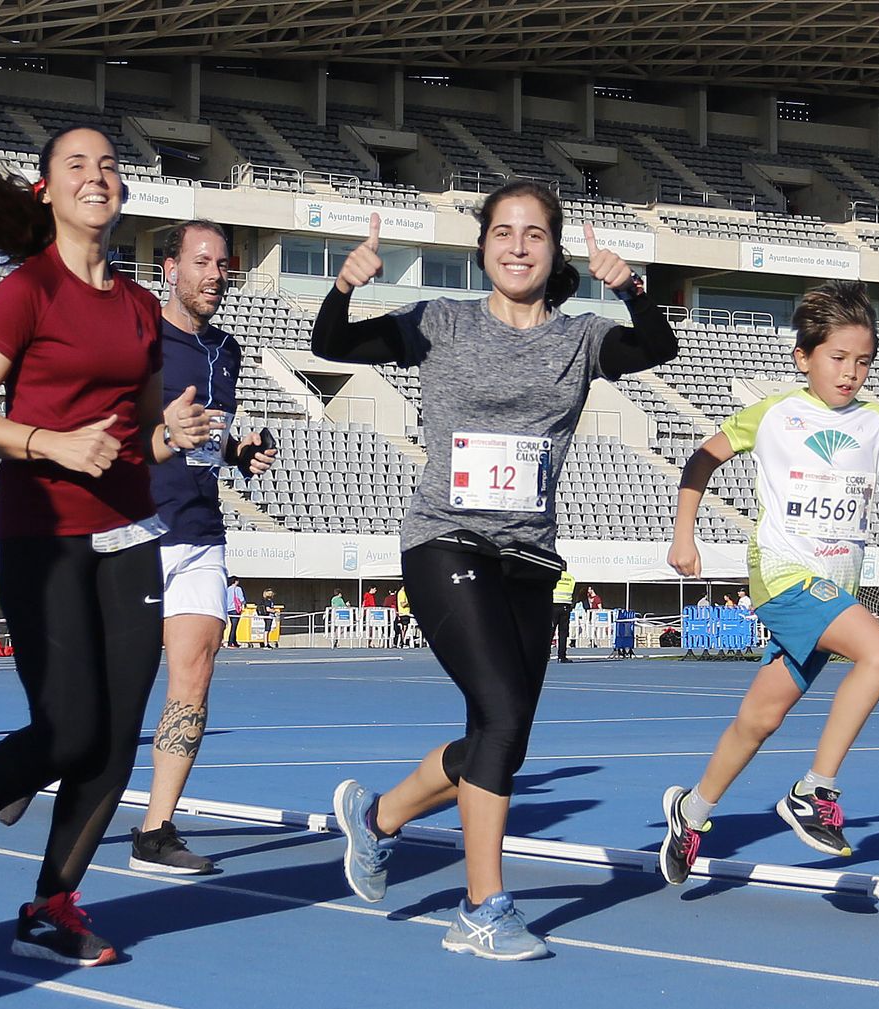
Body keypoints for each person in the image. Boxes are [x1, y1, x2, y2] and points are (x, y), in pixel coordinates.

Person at [314, 183, 676, 960]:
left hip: (530, 558)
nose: (518, 246)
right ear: (482, 247)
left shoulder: (580, 338)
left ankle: (377, 820)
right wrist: (345, 285)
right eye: (503, 233)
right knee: (504, 714)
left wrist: (632, 290)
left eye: (534, 235)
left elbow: (657, 349)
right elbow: (332, 347)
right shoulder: (439, 322)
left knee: (498, 740)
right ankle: (483, 905)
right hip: (445, 541)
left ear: (553, 253)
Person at [0, 127, 211, 967]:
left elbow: (140, 434)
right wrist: (52, 442)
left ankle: (52, 903)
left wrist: (168, 434)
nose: (97, 175)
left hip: (134, 531)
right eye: (77, 164)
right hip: (45, 532)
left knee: (115, 741)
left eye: (109, 165)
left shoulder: (141, 306)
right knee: (69, 730)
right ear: (46, 189)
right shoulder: (25, 291)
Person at [659, 281, 879, 887]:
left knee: (760, 718)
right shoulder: (774, 414)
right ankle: (815, 790)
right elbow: (700, 459)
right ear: (803, 356)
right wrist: (685, 534)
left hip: (837, 589)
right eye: (838, 358)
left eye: (864, 361)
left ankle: (691, 811)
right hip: (785, 578)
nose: (851, 373)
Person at [130, 218, 276, 874]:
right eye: (203, 261)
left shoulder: (229, 349)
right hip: (131, 527)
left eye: (224, 262)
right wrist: (160, 429)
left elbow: (213, 436)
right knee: (110, 689)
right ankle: (31, 762)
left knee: (194, 672)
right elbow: (105, 429)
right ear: (169, 269)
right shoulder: (138, 340)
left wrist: (243, 451)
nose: (217, 273)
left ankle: (156, 830)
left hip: (199, 530)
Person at [551, 567, 576, 663]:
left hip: (553, 605)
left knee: (550, 631)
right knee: (563, 633)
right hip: (565, 606)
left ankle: (545, 655)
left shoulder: (554, 575)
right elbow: (573, 591)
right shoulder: (571, 578)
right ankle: (562, 656)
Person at [225, 575, 245, 647]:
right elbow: (241, 599)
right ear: (236, 581)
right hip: (235, 609)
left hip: (229, 609)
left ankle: (234, 641)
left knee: (233, 625)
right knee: (234, 626)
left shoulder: (227, 589)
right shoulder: (238, 589)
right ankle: (230, 642)